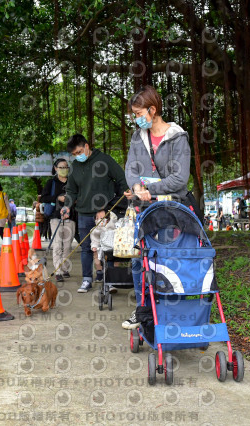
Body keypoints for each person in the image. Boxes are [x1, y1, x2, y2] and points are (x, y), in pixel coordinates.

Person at [121, 85, 192, 329]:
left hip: (170, 210)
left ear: (153, 110)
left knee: (166, 260)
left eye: (139, 113)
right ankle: (143, 310)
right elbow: (131, 168)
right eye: (134, 114)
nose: (136, 119)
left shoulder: (177, 138)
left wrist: (150, 190)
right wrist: (136, 186)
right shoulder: (137, 137)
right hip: (143, 209)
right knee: (138, 261)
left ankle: (169, 312)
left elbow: (179, 179)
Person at [61, 134, 129, 293]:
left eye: (79, 152)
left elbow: (122, 181)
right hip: (84, 213)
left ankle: (110, 281)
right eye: (74, 154)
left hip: (105, 213)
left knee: (108, 247)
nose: (78, 156)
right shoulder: (75, 166)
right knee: (86, 248)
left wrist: (109, 207)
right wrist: (67, 206)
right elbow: (71, 190)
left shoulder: (104, 160)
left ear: (86, 146)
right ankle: (87, 279)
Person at [40, 158, 75, 283]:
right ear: (55, 168)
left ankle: (65, 268)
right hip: (55, 217)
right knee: (57, 244)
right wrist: (57, 197)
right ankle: (58, 271)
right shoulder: (52, 182)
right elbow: (43, 198)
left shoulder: (72, 181)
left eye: (66, 167)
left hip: (71, 217)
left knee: (67, 245)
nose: (64, 169)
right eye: (61, 167)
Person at [90, 211, 117, 284]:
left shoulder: (114, 229)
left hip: (113, 249)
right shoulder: (95, 230)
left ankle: (113, 274)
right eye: (97, 218)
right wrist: (94, 246)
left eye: (102, 218)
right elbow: (95, 240)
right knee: (96, 253)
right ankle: (99, 273)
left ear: (108, 220)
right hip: (102, 249)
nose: (100, 220)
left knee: (114, 257)